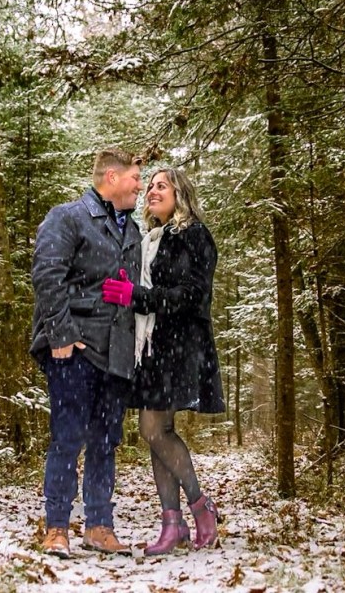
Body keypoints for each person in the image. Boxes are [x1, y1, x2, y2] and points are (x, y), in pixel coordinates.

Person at [101, 166, 224, 555]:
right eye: (150, 186)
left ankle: (200, 507)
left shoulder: (195, 234)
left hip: (181, 345)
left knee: (153, 428)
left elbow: (192, 295)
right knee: (156, 432)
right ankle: (173, 525)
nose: (152, 191)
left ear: (179, 193)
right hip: (153, 347)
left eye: (161, 186)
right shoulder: (153, 238)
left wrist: (136, 297)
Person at [30, 147, 144, 558]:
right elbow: (47, 274)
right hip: (74, 350)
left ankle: (99, 527)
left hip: (116, 354)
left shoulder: (132, 231)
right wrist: (61, 334)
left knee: (105, 441)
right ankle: (57, 528)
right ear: (112, 178)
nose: (140, 186)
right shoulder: (68, 217)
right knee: (67, 438)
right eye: (135, 178)